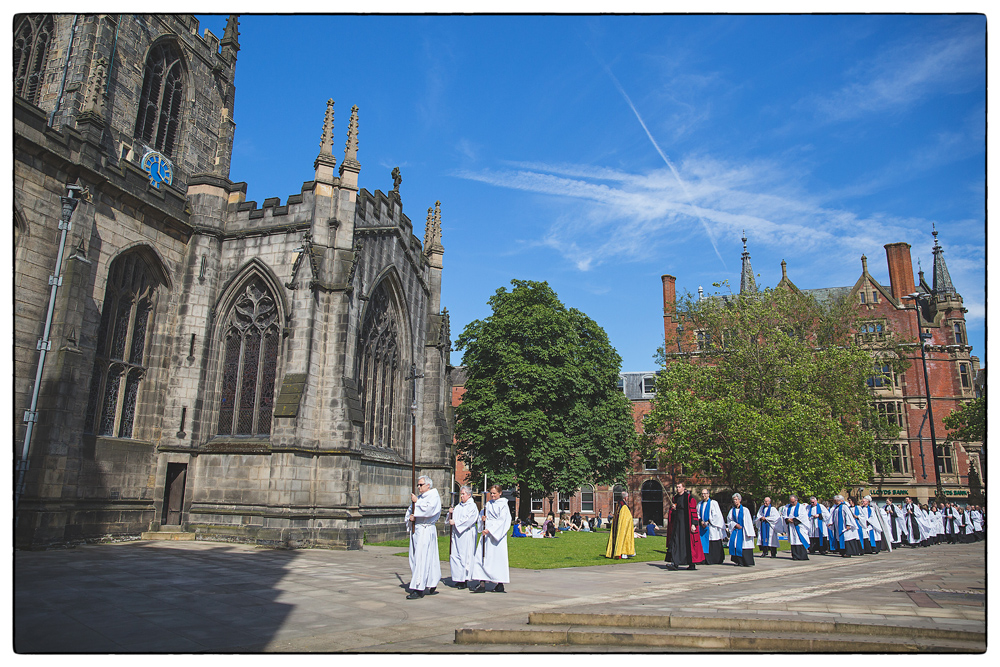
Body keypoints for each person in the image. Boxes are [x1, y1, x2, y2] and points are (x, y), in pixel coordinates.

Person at [405, 475, 441, 599]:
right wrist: (410, 517)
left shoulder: (433, 496)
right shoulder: (420, 497)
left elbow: (429, 510)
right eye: (418, 485)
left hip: (426, 530)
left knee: (422, 558)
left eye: (421, 485)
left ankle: (419, 588)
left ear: (428, 485)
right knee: (416, 558)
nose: (419, 487)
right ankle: (430, 582)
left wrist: (417, 503)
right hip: (417, 531)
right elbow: (410, 510)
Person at [471, 485, 511, 593]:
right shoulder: (488, 504)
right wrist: (482, 519)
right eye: (491, 493)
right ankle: (482, 583)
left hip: (496, 536)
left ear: (500, 493)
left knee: (497, 559)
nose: (492, 495)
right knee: (481, 557)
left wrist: (490, 529)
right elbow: (482, 515)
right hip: (486, 535)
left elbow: (503, 521)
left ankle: (500, 583)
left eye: (494, 493)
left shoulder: (503, 505)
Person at [665, 482, 704, 570]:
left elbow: (693, 512)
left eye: (679, 487)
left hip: (686, 524)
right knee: (676, 542)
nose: (677, 489)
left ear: (683, 488)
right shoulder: (675, 498)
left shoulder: (689, 498)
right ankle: (675, 563)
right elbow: (673, 512)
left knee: (688, 544)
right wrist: (673, 509)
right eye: (677, 487)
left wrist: (694, 524)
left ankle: (691, 564)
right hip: (677, 524)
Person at [448, 485, 479, 589]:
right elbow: (452, 518)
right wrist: (450, 513)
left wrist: (456, 522)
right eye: (460, 494)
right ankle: (458, 577)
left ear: (469, 495)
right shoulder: (458, 506)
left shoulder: (472, 506)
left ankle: (464, 579)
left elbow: (469, 520)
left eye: (463, 494)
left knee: (465, 556)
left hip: (466, 533)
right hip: (457, 534)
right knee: (456, 554)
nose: (461, 496)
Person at [697, 488, 726, 565]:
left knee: (713, 542)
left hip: (711, 526)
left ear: (708, 494)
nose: (703, 495)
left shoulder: (713, 503)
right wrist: (701, 521)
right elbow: (697, 514)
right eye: (702, 494)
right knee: (703, 543)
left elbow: (717, 515)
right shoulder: (699, 504)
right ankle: (704, 559)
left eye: (705, 493)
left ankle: (714, 559)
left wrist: (708, 521)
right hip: (703, 527)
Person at [727, 493, 756, 567]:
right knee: (735, 545)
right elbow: (729, 520)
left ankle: (745, 562)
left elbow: (748, 521)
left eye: (736, 499)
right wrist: (735, 524)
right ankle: (738, 561)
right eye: (734, 500)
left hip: (743, 531)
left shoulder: (745, 510)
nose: (735, 501)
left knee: (743, 545)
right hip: (736, 530)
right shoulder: (732, 510)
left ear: (740, 500)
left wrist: (749, 532)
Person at [605, 491, 636, 559]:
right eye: (627, 497)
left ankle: (620, 552)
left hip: (618, 523)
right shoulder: (623, 505)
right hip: (623, 524)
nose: (628, 498)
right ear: (625, 497)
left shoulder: (618, 503)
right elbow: (626, 517)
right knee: (624, 537)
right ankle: (623, 553)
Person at [781, 495, 810, 560]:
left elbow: (803, 516)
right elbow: (784, 515)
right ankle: (795, 556)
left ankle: (802, 556)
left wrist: (794, 520)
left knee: (799, 540)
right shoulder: (787, 507)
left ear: (796, 500)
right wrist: (787, 519)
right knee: (793, 541)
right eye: (791, 502)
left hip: (799, 526)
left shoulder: (801, 507)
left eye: (793, 502)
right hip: (791, 527)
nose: (792, 503)